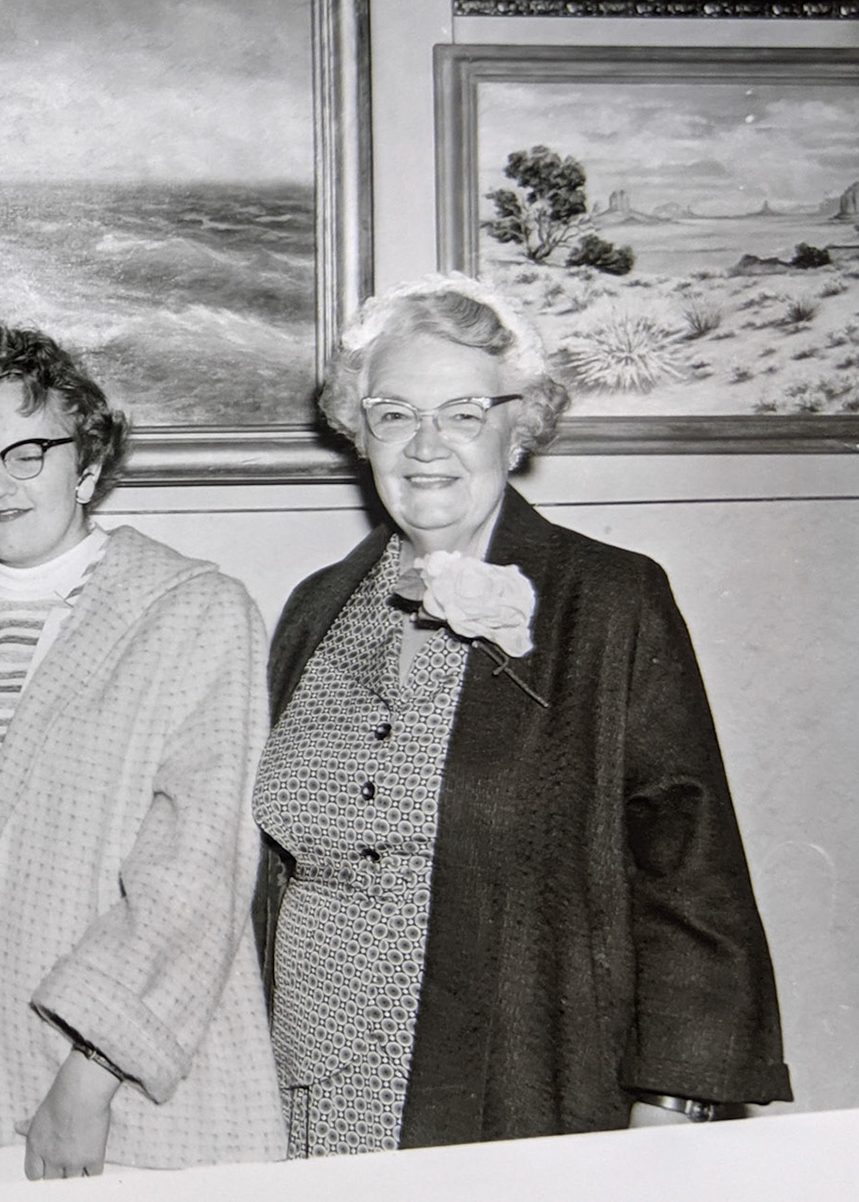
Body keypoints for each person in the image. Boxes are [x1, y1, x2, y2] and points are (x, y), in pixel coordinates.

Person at [252, 273, 791, 1156]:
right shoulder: (317, 606)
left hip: (514, 1085)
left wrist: (674, 1107)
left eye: (464, 412)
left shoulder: (611, 599)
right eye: (393, 413)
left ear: (520, 422)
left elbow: (692, 872)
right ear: (360, 429)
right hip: (302, 1090)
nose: (425, 445)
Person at [0, 321, 284, 1187]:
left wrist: (90, 1073)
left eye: (29, 451)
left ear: (89, 458)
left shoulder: (193, 612)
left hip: (122, 1103)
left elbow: (193, 872)